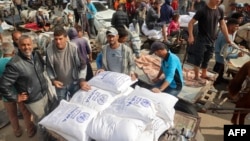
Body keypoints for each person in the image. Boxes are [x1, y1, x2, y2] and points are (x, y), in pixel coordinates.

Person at [0, 35, 50, 140]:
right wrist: (15, 97)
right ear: (18, 46)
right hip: (33, 99)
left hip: (44, 93)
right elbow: (3, 85)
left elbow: (41, 68)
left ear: (32, 45)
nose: (26, 47)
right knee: (41, 122)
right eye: (23, 45)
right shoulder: (14, 64)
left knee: (46, 118)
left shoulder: (35, 55)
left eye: (28, 44)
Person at [187, 0, 231, 83]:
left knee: (207, 58)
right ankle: (196, 76)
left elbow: (222, 24)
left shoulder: (220, 10)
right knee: (199, 58)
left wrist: (227, 38)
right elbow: (191, 23)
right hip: (201, 39)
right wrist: (191, 36)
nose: (218, 1)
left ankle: (204, 74)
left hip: (212, 39)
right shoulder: (202, 11)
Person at [46, 27, 91, 105]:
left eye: (60, 39)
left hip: (74, 83)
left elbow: (83, 65)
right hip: (60, 85)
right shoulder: (49, 50)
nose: (58, 42)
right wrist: (53, 80)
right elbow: (48, 67)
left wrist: (82, 80)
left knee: (77, 103)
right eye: (56, 39)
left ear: (66, 38)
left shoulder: (73, 48)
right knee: (62, 105)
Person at [0, 42, 35, 137]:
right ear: (12, 51)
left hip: (6, 96)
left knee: (12, 115)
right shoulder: (16, 62)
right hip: (20, 94)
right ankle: (30, 131)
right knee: (26, 113)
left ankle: (17, 131)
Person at [213, 18, 243, 85]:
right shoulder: (226, 37)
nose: (237, 28)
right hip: (221, 60)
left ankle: (219, 79)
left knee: (219, 74)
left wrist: (237, 47)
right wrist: (237, 55)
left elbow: (229, 46)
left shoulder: (229, 35)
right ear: (230, 26)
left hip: (222, 60)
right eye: (236, 26)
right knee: (215, 78)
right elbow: (224, 53)